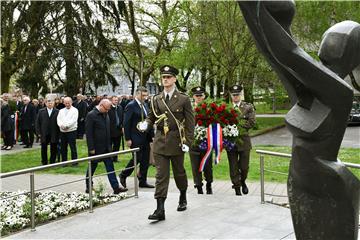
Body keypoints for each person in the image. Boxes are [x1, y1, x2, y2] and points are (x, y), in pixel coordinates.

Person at [144, 65, 195, 221]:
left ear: (174, 79)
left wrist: (188, 141)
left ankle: (183, 196)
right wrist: (146, 123)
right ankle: (160, 209)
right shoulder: (156, 99)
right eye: (163, 77)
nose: (165, 80)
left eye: (168, 77)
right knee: (161, 175)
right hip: (160, 141)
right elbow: (152, 116)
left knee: (179, 172)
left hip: (177, 141)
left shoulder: (184, 99)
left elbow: (190, 123)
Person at [84, 99, 127, 194]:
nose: (107, 111)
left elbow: (107, 130)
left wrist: (109, 146)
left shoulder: (105, 114)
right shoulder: (91, 115)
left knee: (110, 167)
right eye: (106, 109)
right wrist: (91, 148)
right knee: (91, 168)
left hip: (106, 147)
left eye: (108, 109)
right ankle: (88, 186)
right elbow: (89, 133)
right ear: (101, 105)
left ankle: (116, 187)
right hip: (96, 148)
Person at [119, 87, 154, 189]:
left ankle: (143, 180)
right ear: (137, 94)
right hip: (135, 137)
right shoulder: (131, 106)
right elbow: (126, 123)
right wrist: (128, 138)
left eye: (146, 95)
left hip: (145, 137)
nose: (145, 97)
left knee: (145, 159)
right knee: (137, 158)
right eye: (143, 95)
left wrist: (152, 136)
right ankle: (123, 174)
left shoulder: (145, 105)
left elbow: (149, 120)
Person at [227, 85, 255, 196]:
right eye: (233, 95)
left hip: (244, 141)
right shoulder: (226, 107)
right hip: (231, 142)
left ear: (241, 95)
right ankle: (237, 187)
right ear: (231, 95)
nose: (235, 96)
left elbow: (251, 122)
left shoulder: (248, 107)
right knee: (233, 167)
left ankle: (243, 181)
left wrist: (236, 128)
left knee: (244, 167)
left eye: (237, 94)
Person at [189, 86, 213, 194]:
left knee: (207, 165)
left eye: (200, 95)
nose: (198, 98)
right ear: (193, 96)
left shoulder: (209, 108)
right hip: (193, 141)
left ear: (204, 96)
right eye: (196, 96)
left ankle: (209, 184)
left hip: (206, 141)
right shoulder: (188, 108)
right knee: (195, 166)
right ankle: (198, 186)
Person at [35, 95, 60, 165]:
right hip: (44, 133)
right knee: (43, 148)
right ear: (45, 103)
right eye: (48, 102)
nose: (49, 103)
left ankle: (52, 161)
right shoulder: (41, 111)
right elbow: (37, 122)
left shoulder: (57, 111)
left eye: (51, 102)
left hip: (54, 132)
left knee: (53, 147)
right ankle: (44, 161)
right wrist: (38, 133)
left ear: (54, 103)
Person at [57, 97, 79, 164]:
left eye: (68, 103)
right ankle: (64, 162)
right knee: (63, 147)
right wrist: (61, 125)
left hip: (71, 131)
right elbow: (58, 119)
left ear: (71, 102)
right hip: (62, 131)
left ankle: (74, 162)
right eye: (66, 103)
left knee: (72, 147)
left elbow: (73, 120)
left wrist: (67, 126)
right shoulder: (61, 111)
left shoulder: (75, 110)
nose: (67, 104)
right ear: (64, 103)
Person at [108, 96, 123, 162]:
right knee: (109, 145)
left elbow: (122, 117)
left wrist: (122, 126)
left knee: (117, 145)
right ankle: (109, 158)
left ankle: (115, 158)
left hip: (118, 130)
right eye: (115, 100)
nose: (116, 101)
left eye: (117, 100)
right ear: (111, 101)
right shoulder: (108, 108)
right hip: (110, 130)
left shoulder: (120, 108)